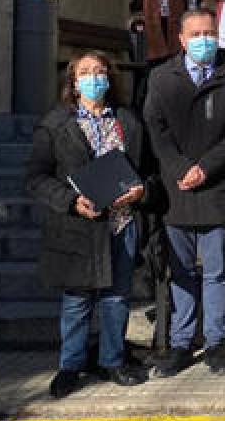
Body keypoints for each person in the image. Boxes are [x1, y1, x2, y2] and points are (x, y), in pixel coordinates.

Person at [26, 51, 153, 398]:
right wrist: (70, 201)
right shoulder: (55, 124)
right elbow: (36, 178)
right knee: (77, 300)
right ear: (73, 81)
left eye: (100, 71)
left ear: (110, 78)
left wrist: (142, 190)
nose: (94, 78)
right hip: (78, 225)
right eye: (85, 72)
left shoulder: (128, 121)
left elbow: (148, 169)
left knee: (116, 298)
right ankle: (71, 365)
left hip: (121, 222)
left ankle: (113, 360)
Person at [143, 8, 225, 377]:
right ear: (181, 39)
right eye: (195, 34)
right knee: (180, 272)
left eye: (209, 32)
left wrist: (205, 168)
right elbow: (154, 128)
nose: (203, 40)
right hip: (176, 188)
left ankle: (216, 343)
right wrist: (180, 169)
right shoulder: (161, 78)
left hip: (217, 185)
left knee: (217, 272)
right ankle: (180, 342)